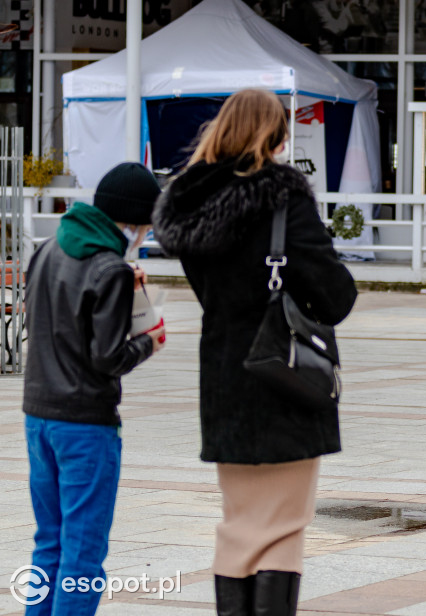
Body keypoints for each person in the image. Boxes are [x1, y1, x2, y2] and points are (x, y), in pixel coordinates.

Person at [153, 89, 357, 616]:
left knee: (238, 524)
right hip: (283, 380)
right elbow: (336, 297)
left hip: (224, 381)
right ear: (274, 135)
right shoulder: (283, 199)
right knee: (284, 527)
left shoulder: (190, 205)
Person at [23, 162, 166, 615]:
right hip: (85, 425)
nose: (143, 234)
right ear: (133, 222)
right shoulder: (111, 269)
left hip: (38, 415)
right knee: (83, 555)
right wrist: (149, 341)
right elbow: (108, 359)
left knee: (49, 544)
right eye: (144, 226)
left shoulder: (47, 249)